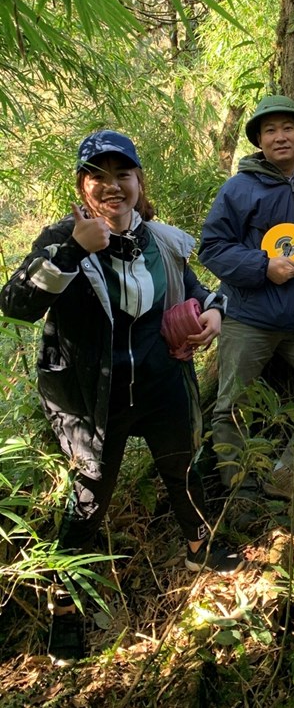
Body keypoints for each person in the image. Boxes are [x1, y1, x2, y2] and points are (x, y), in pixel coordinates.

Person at [0, 131, 238, 665]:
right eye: (98, 177)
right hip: (90, 398)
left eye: (122, 175)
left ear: (138, 182)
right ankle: (65, 608)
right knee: (88, 499)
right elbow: (15, 304)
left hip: (160, 384)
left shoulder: (161, 240)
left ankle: (200, 547)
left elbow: (198, 289)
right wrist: (73, 250)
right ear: (83, 187)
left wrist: (213, 312)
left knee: (183, 466)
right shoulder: (63, 239)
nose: (112, 187)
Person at [199, 96, 294, 501]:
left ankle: (287, 471)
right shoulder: (239, 188)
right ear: (259, 141)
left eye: (288, 128)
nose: (280, 137)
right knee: (230, 404)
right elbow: (212, 247)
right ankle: (240, 494)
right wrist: (263, 266)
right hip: (251, 318)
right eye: (270, 130)